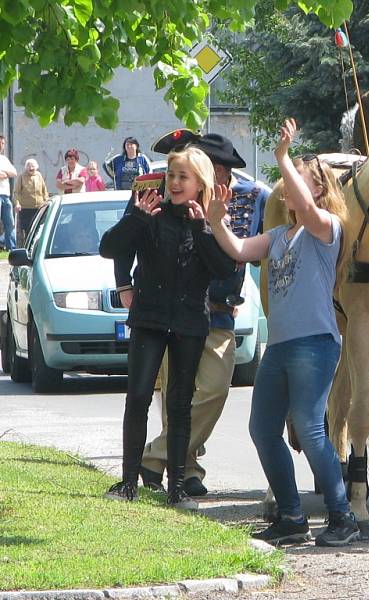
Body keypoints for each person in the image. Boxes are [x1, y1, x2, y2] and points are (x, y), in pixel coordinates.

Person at [201, 118, 359, 547]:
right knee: (262, 429)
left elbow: (307, 209)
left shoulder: (326, 225)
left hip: (316, 344)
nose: (286, 189)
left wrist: (284, 156)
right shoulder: (276, 236)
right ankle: (292, 517)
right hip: (282, 346)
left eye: (297, 183)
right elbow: (236, 250)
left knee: (310, 430)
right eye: (286, 182)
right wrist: (217, 221)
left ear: (319, 190)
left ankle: (342, 516)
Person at [121, 130, 268, 497]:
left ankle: (154, 457)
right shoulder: (157, 187)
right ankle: (187, 472)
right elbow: (125, 239)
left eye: (218, 167)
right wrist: (125, 284)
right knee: (175, 400)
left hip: (220, 311)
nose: (211, 173)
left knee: (214, 390)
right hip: (171, 310)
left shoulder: (253, 196)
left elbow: (266, 246)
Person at [99, 147, 236, 510]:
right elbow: (109, 247)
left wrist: (204, 228)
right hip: (150, 316)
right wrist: (137, 219)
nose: (175, 183)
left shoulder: (209, 216)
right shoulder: (149, 207)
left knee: (179, 404)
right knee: (139, 396)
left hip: (190, 319)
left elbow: (225, 269)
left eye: (183, 177)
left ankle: (176, 488)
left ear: (199, 183)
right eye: (172, 175)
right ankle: (129, 482)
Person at [13, 158, 49, 245]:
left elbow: (44, 190)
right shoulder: (21, 176)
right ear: (26, 167)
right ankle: (27, 246)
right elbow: (17, 192)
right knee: (27, 229)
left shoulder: (39, 175)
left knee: (38, 228)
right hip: (26, 208)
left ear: (36, 167)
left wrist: (46, 200)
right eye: (28, 166)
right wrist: (17, 203)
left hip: (39, 207)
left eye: (33, 166)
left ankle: (37, 245)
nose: (31, 168)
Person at [0, 134, 18, 250]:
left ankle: (11, 248)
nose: (1, 145)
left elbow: (14, 173)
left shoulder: (4, 159)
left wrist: (4, 173)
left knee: (10, 223)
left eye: (2, 143)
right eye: (0, 143)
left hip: (5, 195)